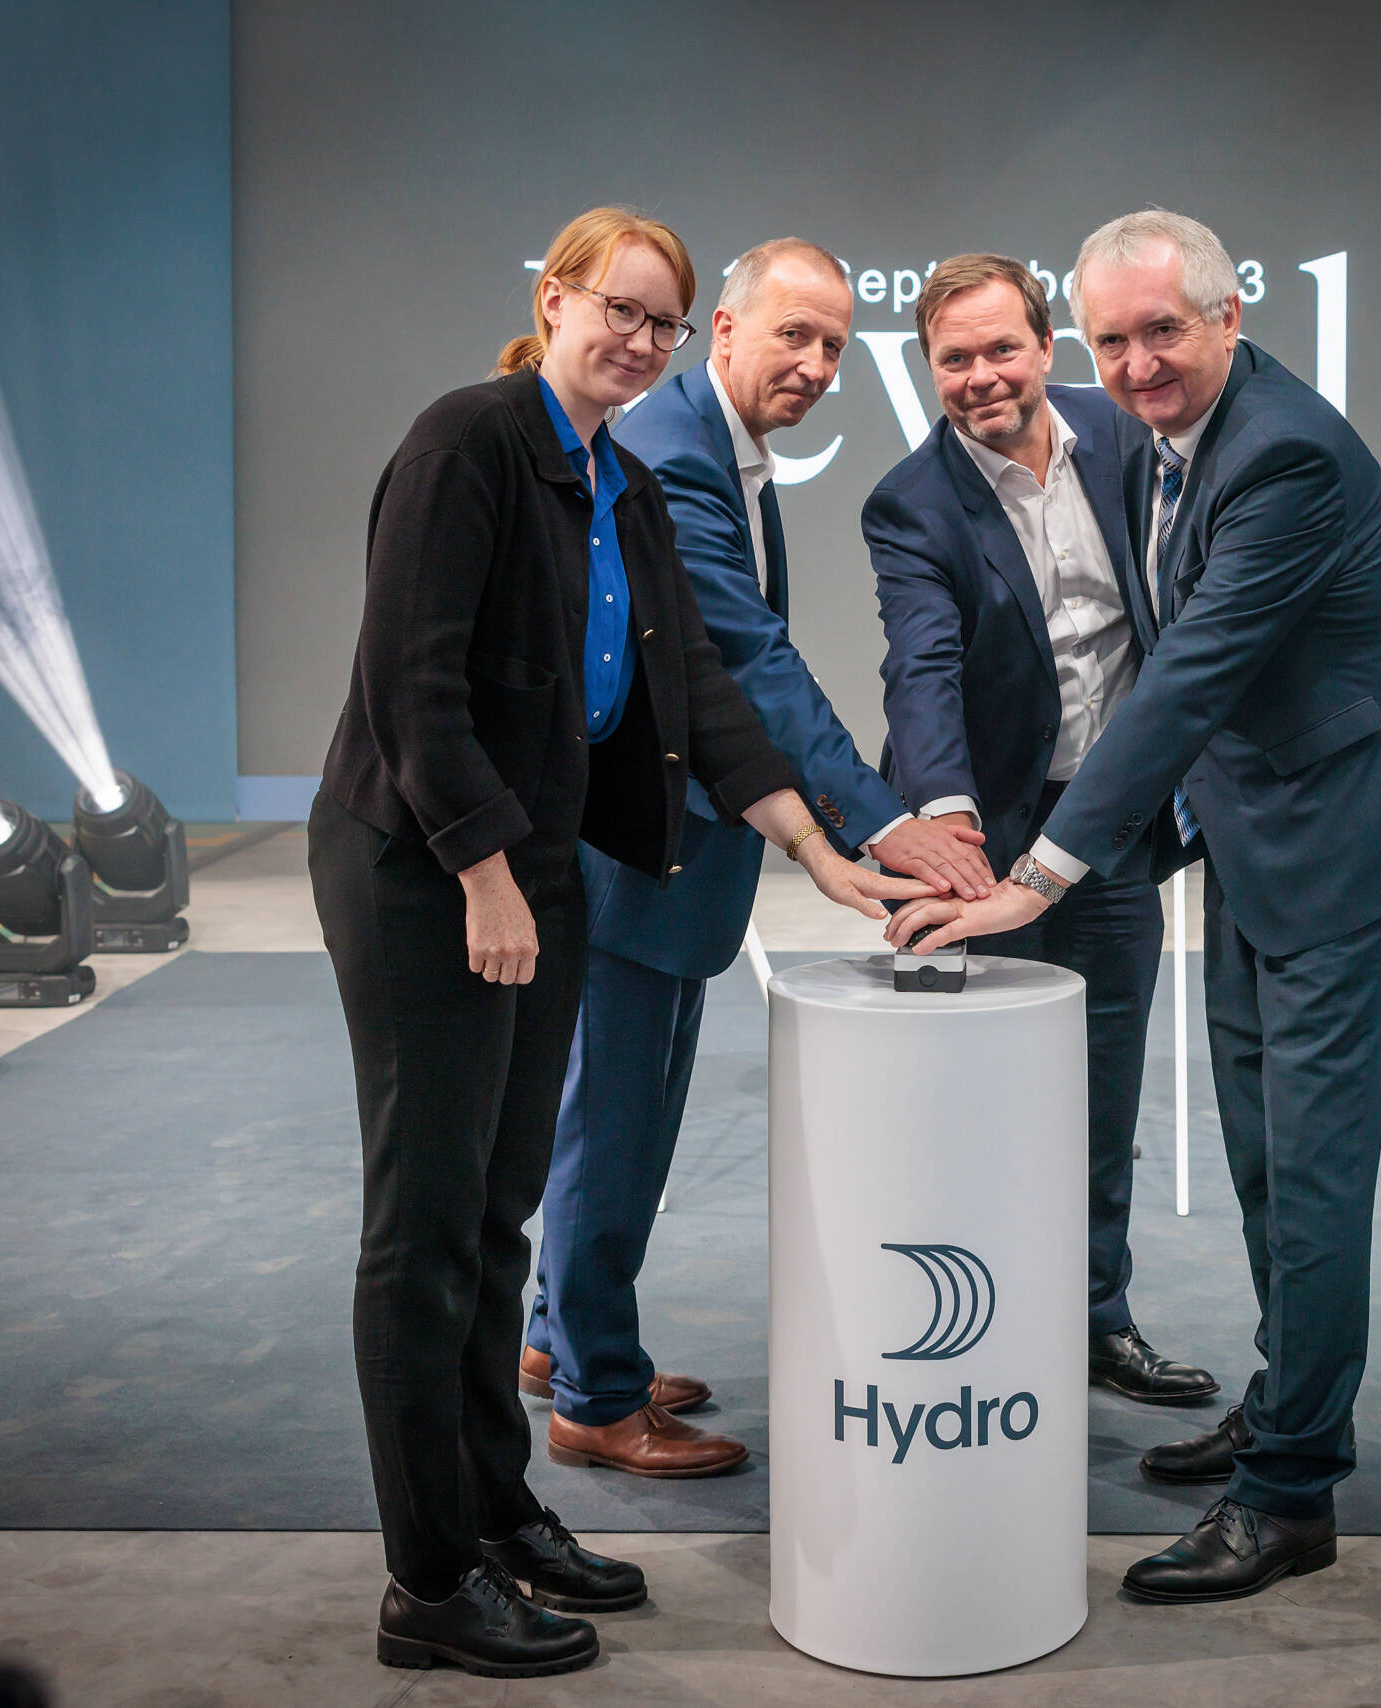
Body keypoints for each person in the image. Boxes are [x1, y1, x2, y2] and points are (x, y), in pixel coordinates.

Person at [311, 205, 927, 1678]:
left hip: (536, 862)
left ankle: (499, 1511)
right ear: (557, 299)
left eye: (663, 321)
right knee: (426, 1227)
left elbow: (700, 693)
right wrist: (482, 873)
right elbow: (411, 683)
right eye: (622, 310)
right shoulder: (465, 443)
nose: (642, 341)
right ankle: (427, 1579)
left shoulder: (620, 482)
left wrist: (818, 851)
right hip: (422, 866)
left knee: (499, 1211)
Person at [886, 210, 1381, 1604]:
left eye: (1164, 331)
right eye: (1115, 339)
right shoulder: (1153, 438)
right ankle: (1285, 1407)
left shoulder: (1284, 457)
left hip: (1337, 840)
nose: (1138, 363)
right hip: (1252, 833)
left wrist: (1039, 874)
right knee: (1264, 1154)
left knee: (1310, 1172)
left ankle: (1291, 1493)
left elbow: (1190, 673)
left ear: (1229, 319)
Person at [522, 237, 991, 1477]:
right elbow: (750, 662)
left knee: (614, 1115)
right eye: (794, 334)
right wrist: (879, 820)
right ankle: (597, 1395)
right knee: (613, 1125)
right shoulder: (679, 452)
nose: (818, 364)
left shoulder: (715, 444)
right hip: (640, 854)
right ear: (722, 330)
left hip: (677, 849)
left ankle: (558, 1337)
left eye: (834, 343)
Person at [862, 252, 1218, 1406]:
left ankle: (1095, 1321)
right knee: (974, 1102)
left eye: (1000, 349)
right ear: (928, 368)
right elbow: (919, 670)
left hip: (1109, 829)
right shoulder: (910, 503)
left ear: (1045, 346)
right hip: (982, 842)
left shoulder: (1122, 436)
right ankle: (977, 1328)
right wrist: (947, 827)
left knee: (1101, 1091)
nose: (981, 376)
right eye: (953, 358)